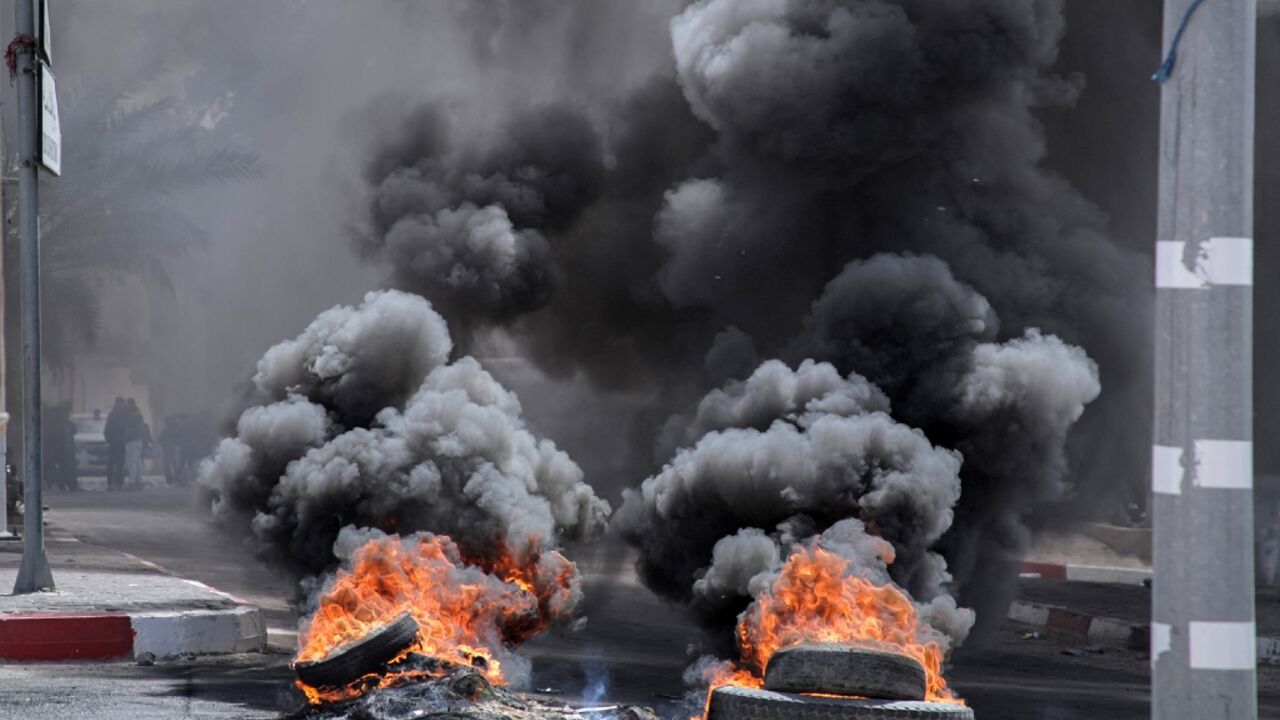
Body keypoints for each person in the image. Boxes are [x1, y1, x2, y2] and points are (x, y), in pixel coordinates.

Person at [104, 397, 127, 490]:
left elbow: (107, 428)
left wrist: (109, 439)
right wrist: (109, 439)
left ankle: (116, 482)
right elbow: (108, 428)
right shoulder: (119, 414)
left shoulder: (113, 414)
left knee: (117, 463)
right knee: (115, 463)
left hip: (117, 442)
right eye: (121, 403)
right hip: (117, 442)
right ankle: (115, 482)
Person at [124, 399, 146, 489]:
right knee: (137, 461)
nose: (126, 407)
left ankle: (132, 482)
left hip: (132, 440)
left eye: (127, 405)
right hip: (138, 440)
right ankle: (139, 481)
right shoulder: (138, 413)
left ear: (131, 404)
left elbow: (129, 428)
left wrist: (125, 437)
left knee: (132, 461)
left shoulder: (134, 415)